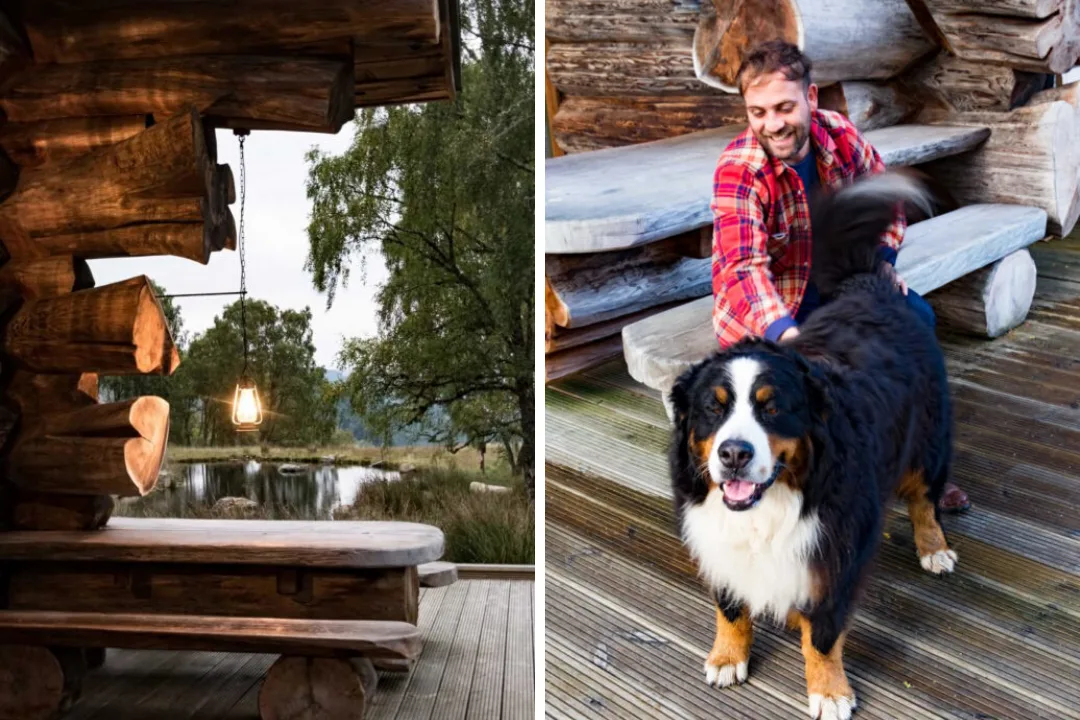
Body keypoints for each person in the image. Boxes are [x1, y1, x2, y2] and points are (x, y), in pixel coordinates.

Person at [710, 39, 969, 513]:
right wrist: (786, 337)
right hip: (770, 310)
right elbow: (743, 270)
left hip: (841, 287)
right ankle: (820, 479)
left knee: (916, 321)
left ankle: (920, 467)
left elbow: (886, 204)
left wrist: (884, 265)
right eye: (758, 112)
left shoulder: (841, 134)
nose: (773, 124)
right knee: (808, 380)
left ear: (811, 99)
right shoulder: (739, 169)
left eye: (784, 107)